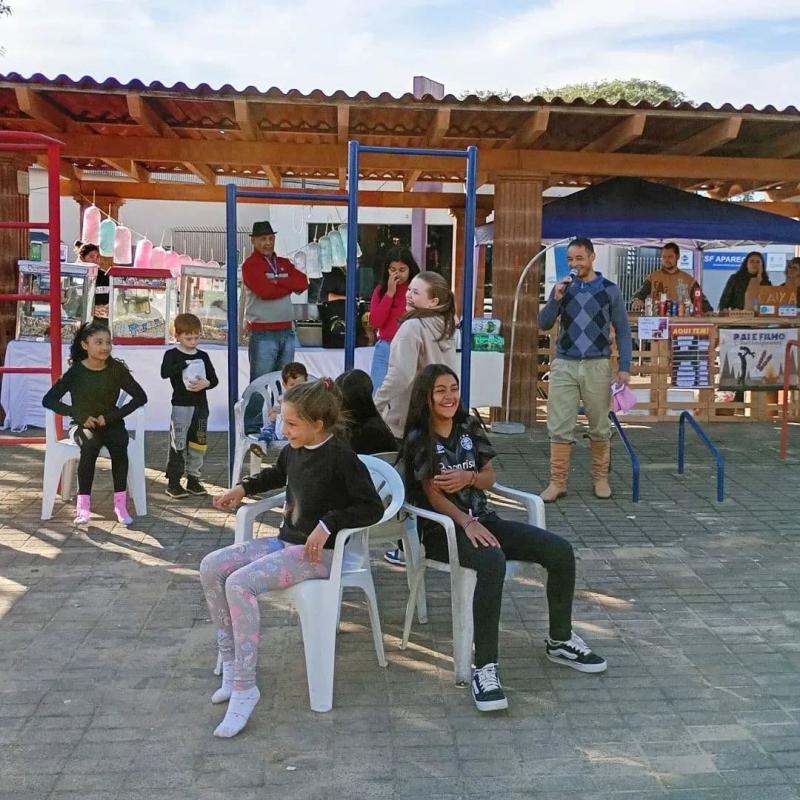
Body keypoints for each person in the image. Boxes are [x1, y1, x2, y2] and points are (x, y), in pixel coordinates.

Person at [401, 364, 606, 712]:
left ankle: (559, 640)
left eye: (453, 388)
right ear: (426, 397)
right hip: (443, 530)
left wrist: (468, 478)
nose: (450, 396)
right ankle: (485, 668)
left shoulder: (469, 426)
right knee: (491, 560)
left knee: (559, 550)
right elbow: (433, 495)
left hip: (485, 520)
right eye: (440, 390)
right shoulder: (419, 438)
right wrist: (465, 522)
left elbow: (489, 477)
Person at [201, 379, 384, 737]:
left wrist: (329, 523)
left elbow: (371, 507)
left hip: (319, 556)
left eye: (292, 424)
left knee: (239, 584)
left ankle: (245, 687)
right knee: (212, 566)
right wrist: (243, 488)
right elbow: (277, 474)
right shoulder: (294, 449)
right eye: (283, 422)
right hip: (287, 543)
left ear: (319, 424)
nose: (284, 430)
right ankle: (232, 665)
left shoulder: (341, 457)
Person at [538, 237, 632, 502]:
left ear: (592, 257)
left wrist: (625, 366)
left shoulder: (609, 290)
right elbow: (543, 323)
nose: (574, 264)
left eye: (579, 258)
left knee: (600, 425)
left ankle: (601, 478)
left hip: (597, 364)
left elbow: (623, 330)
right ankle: (557, 482)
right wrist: (555, 300)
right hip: (564, 363)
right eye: (570, 259)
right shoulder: (562, 288)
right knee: (559, 424)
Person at [42, 321, 147, 525]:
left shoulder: (116, 369)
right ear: (85, 345)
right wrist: (79, 415)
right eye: (98, 342)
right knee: (89, 445)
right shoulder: (76, 372)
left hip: (111, 423)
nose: (105, 347)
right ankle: (83, 506)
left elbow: (140, 397)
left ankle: (120, 505)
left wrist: (111, 417)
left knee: (119, 444)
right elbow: (49, 400)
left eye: (108, 342)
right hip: (82, 425)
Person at [241, 221, 309, 434]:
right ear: (253, 241)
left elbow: (303, 283)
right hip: (263, 332)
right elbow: (264, 291)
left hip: (286, 330)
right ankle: (252, 429)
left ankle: (281, 425)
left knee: (287, 383)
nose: (267, 242)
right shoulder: (250, 265)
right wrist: (286, 282)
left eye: (270, 238)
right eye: (263, 239)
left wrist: (277, 281)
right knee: (259, 382)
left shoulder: (283, 262)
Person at [374, 271, 458, 440]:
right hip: (437, 418)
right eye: (409, 290)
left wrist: (376, 404)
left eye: (416, 292)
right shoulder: (446, 327)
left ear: (433, 302)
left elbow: (400, 376)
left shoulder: (412, 326)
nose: (408, 295)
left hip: (409, 419)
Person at [160, 313, 219, 499]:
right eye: (188, 338)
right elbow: (164, 372)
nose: (193, 342)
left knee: (198, 444)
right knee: (178, 443)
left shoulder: (203, 356)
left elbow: (214, 379)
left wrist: (206, 384)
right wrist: (183, 364)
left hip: (201, 407)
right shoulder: (172, 354)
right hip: (181, 406)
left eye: (196, 337)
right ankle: (174, 481)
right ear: (177, 335)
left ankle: (194, 478)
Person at [369, 247, 420, 392]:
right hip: (386, 347)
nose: (397, 274)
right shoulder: (381, 290)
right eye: (393, 270)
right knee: (378, 393)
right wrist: (390, 293)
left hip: (410, 347)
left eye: (402, 270)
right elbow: (375, 322)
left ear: (410, 269)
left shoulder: (417, 290)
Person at [630, 242, 711, 313]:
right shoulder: (653, 277)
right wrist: (637, 300)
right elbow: (640, 294)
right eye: (664, 257)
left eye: (670, 257)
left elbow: (701, 300)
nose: (666, 260)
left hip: (680, 322)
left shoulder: (689, 280)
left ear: (678, 256)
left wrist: (708, 311)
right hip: (657, 321)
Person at [250, 361, 309, 456]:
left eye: (300, 385)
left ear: (306, 382)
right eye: (292, 385)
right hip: (280, 427)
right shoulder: (283, 398)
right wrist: (274, 414)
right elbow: (276, 410)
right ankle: (261, 444)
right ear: (285, 385)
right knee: (268, 430)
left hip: (297, 429)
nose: (297, 389)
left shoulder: (308, 398)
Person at [335, 369, 397, 455]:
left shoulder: (368, 433)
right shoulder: (361, 423)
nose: (336, 404)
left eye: (340, 400)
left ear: (354, 402)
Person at [75, 243, 111, 325]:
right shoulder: (76, 278)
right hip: (82, 323)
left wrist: (108, 307)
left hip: (103, 323)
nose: (95, 260)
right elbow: (72, 306)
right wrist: (91, 309)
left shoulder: (106, 276)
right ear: (82, 258)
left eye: (97, 257)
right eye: (91, 257)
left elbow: (113, 297)